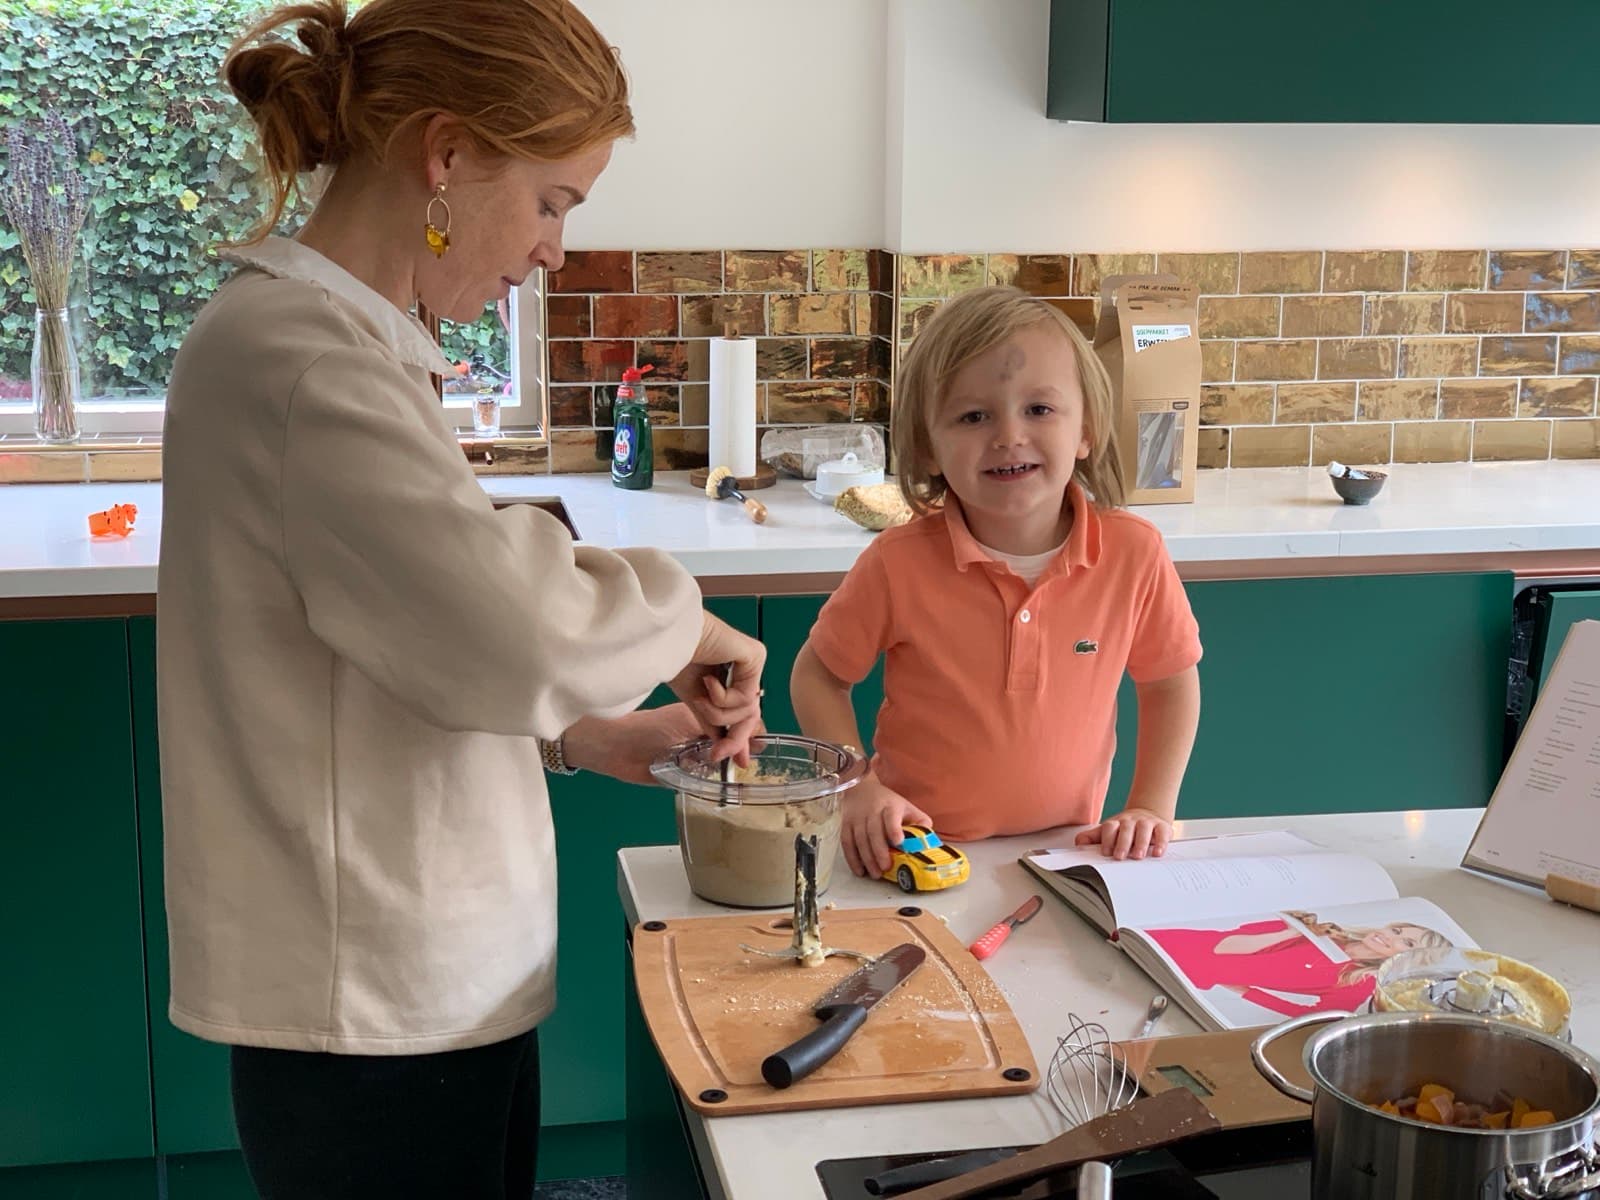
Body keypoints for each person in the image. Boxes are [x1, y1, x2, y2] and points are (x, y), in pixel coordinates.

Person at [156, 2, 763, 1197]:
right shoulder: (305, 361)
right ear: (445, 155)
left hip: (416, 988)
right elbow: (516, 633)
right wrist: (683, 616)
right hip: (374, 1009)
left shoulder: (342, 344)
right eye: (551, 202)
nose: (553, 250)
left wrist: (584, 738)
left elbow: (392, 647)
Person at [790, 285, 1202, 878]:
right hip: (914, 853)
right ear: (928, 449)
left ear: (1086, 430)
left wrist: (1151, 806)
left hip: (1066, 857)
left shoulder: (1134, 553)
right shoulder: (896, 563)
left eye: (1039, 409)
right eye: (973, 416)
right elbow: (818, 676)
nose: (1009, 435)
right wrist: (858, 787)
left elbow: (1170, 682)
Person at [1144, 913, 1453, 1017]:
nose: (1390, 936)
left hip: (1196, 978)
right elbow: (1226, 943)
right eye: (1397, 930)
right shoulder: (1328, 928)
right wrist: (1295, 930)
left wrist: (1245, 992)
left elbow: (1309, 1015)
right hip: (1183, 943)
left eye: (1407, 943)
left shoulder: (1360, 981)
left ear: (1412, 960)